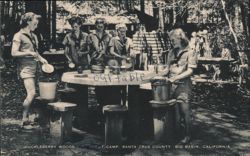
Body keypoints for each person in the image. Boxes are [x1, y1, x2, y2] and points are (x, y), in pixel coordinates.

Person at [157, 28, 198, 143]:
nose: (172, 42)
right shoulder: (171, 52)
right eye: (171, 40)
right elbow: (167, 69)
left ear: (180, 38)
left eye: (173, 40)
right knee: (174, 111)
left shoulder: (190, 51)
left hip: (183, 86)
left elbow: (190, 71)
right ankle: (176, 134)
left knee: (184, 111)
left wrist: (176, 77)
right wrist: (158, 73)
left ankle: (187, 135)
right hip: (171, 86)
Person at [11, 12, 48, 127]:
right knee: (31, 93)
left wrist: (42, 59)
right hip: (26, 68)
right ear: (28, 21)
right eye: (35, 23)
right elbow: (14, 53)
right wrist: (28, 52)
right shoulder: (18, 35)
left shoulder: (34, 35)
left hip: (36, 68)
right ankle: (24, 118)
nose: (36, 26)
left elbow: (35, 52)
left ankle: (34, 116)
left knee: (35, 93)